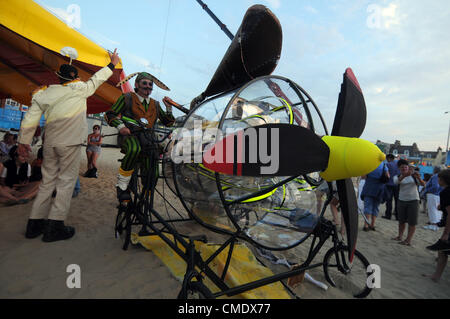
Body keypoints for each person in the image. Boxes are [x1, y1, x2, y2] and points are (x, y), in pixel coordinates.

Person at [17, 49, 120, 242]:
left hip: (50, 144)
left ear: (58, 77)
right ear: (74, 79)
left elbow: (30, 118)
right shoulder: (80, 89)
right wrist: (112, 63)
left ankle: (34, 225)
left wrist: (23, 142)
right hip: (70, 144)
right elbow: (97, 79)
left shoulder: (44, 94)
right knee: (65, 183)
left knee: (47, 183)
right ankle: (54, 227)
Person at [105, 71, 175, 202]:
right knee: (133, 149)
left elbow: (169, 122)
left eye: (150, 84)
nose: (148, 86)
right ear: (136, 84)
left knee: (153, 167)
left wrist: (169, 108)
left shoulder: (155, 104)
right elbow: (110, 114)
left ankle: (146, 195)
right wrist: (121, 127)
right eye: (144, 83)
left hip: (148, 139)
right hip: (130, 135)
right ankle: (122, 186)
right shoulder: (127, 97)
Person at [424, 169, 450, 282]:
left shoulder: (446, 192)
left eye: (439, 178)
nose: (437, 180)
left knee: (443, 250)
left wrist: (446, 233)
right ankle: (436, 276)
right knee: (442, 251)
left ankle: (436, 276)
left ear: (443, 180)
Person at [391, 160, 426, 246]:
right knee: (401, 220)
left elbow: (423, 184)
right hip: (401, 200)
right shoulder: (397, 176)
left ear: (408, 167)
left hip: (413, 200)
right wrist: (404, 175)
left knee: (412, 221)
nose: (404, 168)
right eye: (402, 167)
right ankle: (400, 236)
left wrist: (418, 177)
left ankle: (408, 240)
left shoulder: (413, 176)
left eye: (405, 167)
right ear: (399, 168)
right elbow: (397, 182)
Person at [360, 161, 389, 231]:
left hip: (369, 188)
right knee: (376, 207)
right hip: (380, 190)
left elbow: (363, 177)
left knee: (368, 206)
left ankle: (366, 225)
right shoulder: (384, 165)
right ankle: (372, 224)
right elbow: (388, 176)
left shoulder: (369, 165)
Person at [422, 167, 444, 231]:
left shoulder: (435, 176)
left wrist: (428, 190)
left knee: (432, 209)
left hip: (432, 194)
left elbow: (435, 186)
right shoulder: (441, 176)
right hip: (438, 195)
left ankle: (433, 225)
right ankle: (436, 225)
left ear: (435, 170)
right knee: (437, 210)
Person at [382, 154, 400, 220]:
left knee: (389, 200)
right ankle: (397, 216)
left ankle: (388, 215)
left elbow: (385, 174)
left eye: (387, 159)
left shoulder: (388, 164)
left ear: (389, 158)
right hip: (397, 184)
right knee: (397, 201)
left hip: (389, 184)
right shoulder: (398, 163)